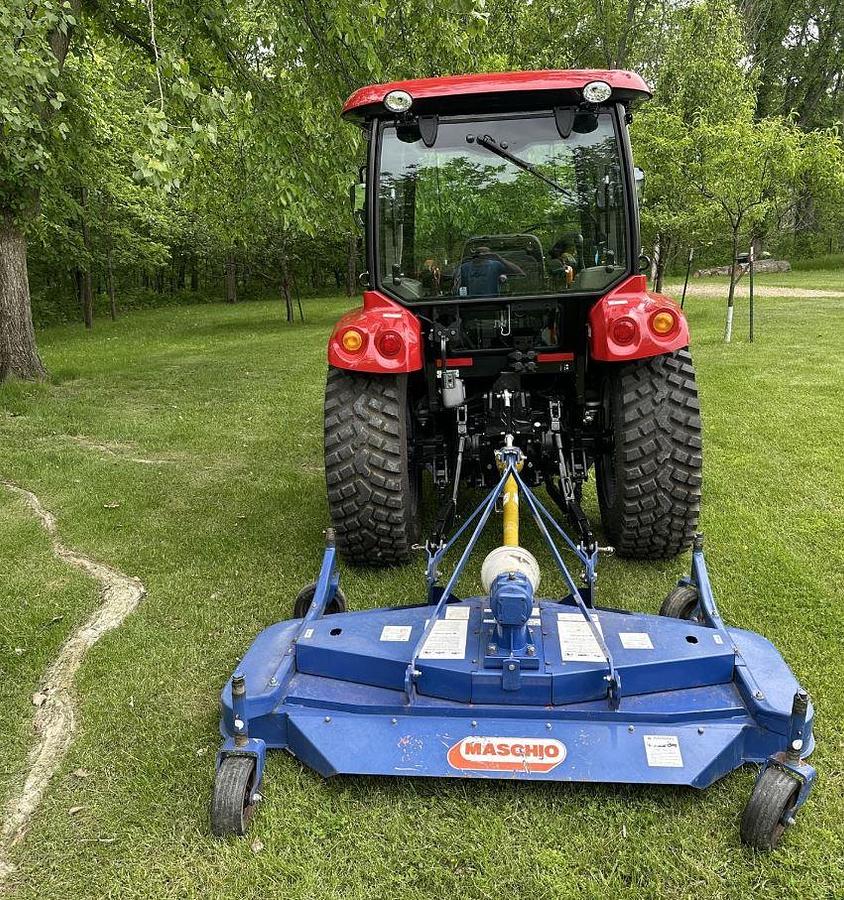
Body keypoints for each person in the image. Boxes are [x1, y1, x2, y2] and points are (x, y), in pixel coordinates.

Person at [455, 247, 526, 298]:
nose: (481, 258)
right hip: (469, 305)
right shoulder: (464, 268)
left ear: (490, 256)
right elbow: (456, 288)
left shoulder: (495, 265)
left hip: (492, 303)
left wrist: (499, 258)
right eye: (478, 256)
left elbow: (519, 273)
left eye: (485, 256)